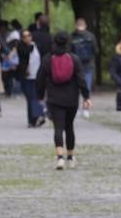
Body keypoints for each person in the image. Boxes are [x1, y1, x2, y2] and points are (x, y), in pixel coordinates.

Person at [36, 32, 92, 169]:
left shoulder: (47, 59)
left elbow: (40, 79)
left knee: (58, 128)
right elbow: (81, 79)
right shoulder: (74, 58)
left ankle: (60, 157)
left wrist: (40, 95)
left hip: (54, 98)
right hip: (71, 98)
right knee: (69, 127)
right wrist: (86, 96)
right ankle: (71, 157)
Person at [16, 29, 45, 127]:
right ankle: (33, 119)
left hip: (37, 76)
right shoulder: (21, 46)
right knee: (30, 98)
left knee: (35, 97)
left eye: (29, 35)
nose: (27, 38)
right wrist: (31, 46)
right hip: (27, 77)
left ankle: (36, 117)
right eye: (24, 36)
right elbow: (26, 52)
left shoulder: (37, 46)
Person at [71, 18, 98, 114]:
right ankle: (86, 108)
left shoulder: (72, 36)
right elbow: (95, 51)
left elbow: (70, 51)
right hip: (89, 65)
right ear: (85, 26)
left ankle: (77, 107)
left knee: (76, 87)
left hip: (76, 65)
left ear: (76, 26)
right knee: (87, 86)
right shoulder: (91, 36)